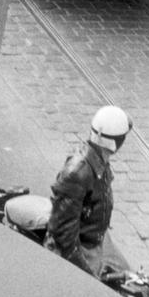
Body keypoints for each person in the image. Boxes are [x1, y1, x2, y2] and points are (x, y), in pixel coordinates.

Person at [45, 105, 133, 278]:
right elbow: (64, 236)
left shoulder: (100, 158)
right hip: (80, 246)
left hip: (96, 236)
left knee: (127, 277)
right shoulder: (77, 173)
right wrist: (86, 273)